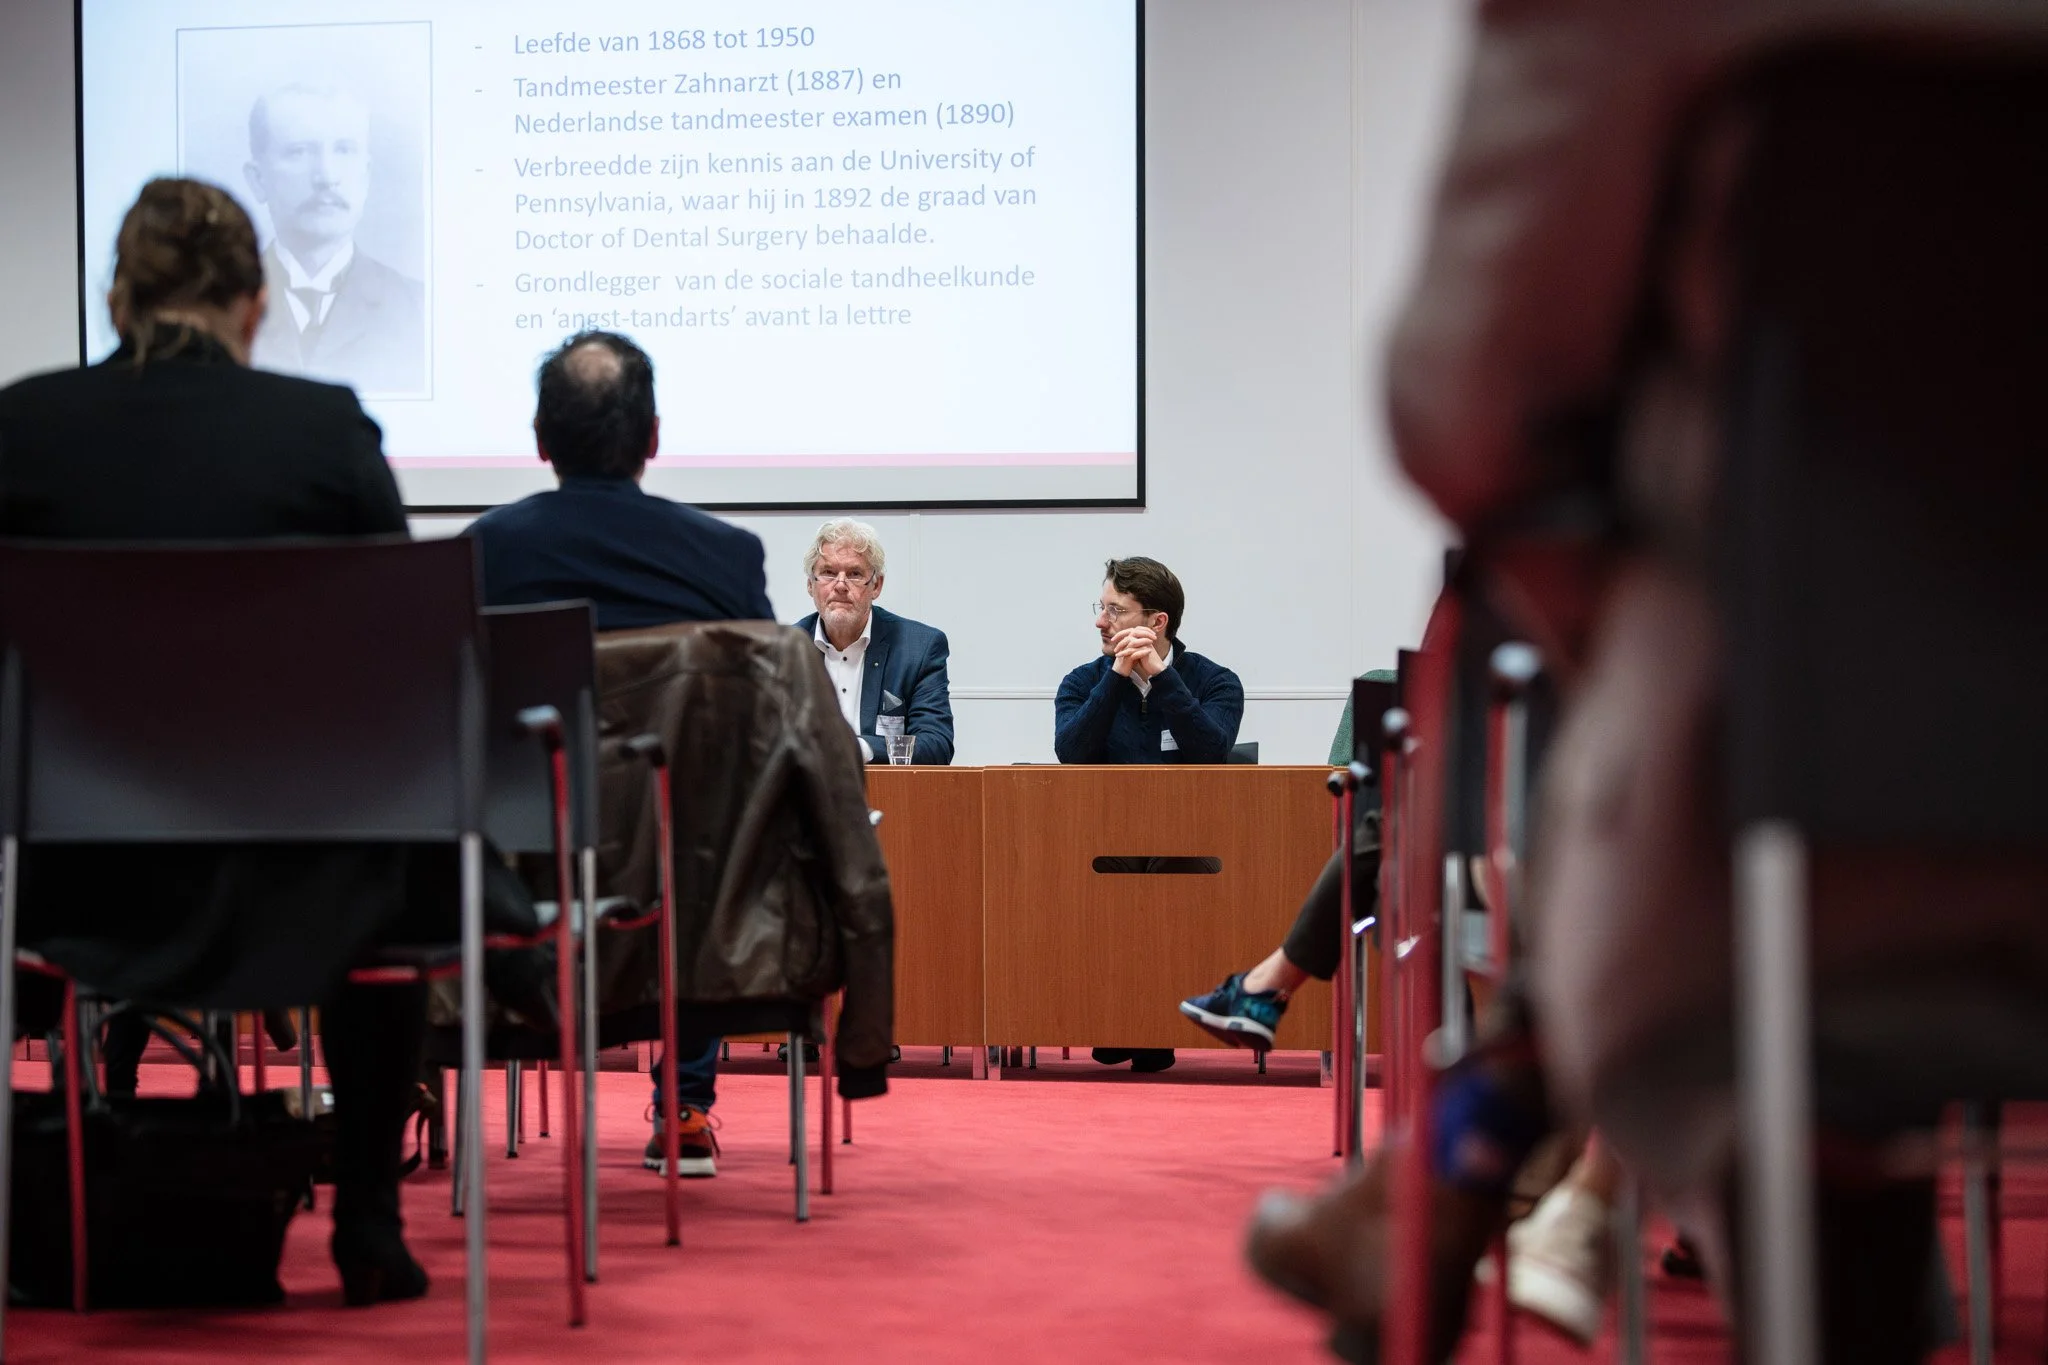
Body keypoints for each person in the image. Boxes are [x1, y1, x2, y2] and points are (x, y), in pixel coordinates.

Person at [0, 177, 428, 1305]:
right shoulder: (325, 430)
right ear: (254, 306)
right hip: (302, 883)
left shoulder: (20, 430)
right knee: (402, 856)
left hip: (61, 887)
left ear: (116, 301)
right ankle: (369, 1224)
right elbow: (399, 657)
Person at [467, 329, 773, 1179]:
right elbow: (766, 714)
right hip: (678, 862)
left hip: (513, 859)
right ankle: (685, 1103)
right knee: (702, 836)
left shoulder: (480, 553)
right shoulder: (724, 556)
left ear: (541, 440)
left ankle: (420, 1073)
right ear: (653, 438)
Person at [1057, 556, 1244, 1072]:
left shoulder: (1215, 682)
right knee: (1103, 877)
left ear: (1157, 622)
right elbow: (1071, 753)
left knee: (1167, 879)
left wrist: (1161, 677)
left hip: (1188, 842)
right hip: (1104, 842)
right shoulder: (1083, 681)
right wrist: (1117, 678)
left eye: (1116, 611)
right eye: (1101, 608)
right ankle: (1116, 1017)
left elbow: (1211, 751)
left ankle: (1151, 1024)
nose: (1101, 621)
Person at [244, 83, 426, 394]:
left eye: (344, 150)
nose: (327, 176)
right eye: (299, 152)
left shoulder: (419, 307)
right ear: (258, 179)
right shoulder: (221, 307)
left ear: (365, 176)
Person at [792, 518, 955, 766]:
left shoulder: (919, 648)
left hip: (886, 789)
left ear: (876, 585)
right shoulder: (781, 651)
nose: (840, 585)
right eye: (828, 573)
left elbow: (936, 745)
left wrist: (858, 748)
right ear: (810, 585)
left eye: (855, 574)